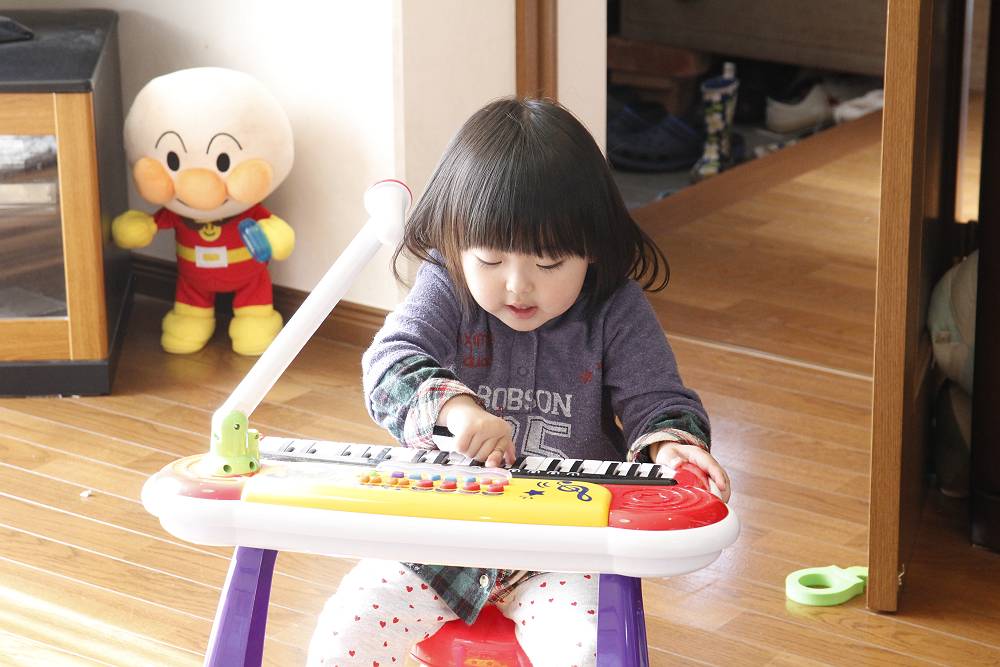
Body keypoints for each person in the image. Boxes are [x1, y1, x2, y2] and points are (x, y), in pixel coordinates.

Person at [307, 97, 730, 667]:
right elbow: (389, 363)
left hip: (567, 547)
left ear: (591, 249)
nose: (517, 286)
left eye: (549, 264)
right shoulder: (446, 283)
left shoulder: (615, 307)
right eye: (489, 260)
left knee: (586, 652)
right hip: (438, 536)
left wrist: (670, 444)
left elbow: (658, 400)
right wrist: (455, 408)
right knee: (345, 632)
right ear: (456, 242)